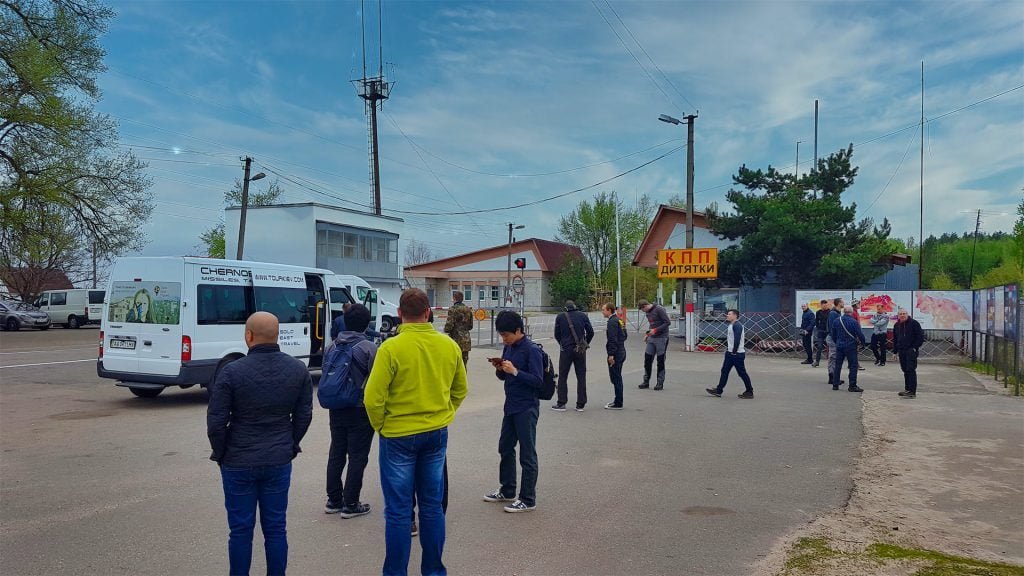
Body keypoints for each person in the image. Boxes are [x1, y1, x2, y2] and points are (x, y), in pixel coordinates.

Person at [364, 288, 468, 576]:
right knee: (432, 507)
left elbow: (373, 398)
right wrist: (445, 413)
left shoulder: (391, 348)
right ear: (428, 313)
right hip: (435, 433)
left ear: (399, 314)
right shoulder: (448, 345)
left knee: (398, 512)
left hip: (397, 435)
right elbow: (461, 389)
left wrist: (381, 426)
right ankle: (434, 570)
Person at [207, 312, 313, 576]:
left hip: (238, 460)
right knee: (276, 528)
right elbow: (304, 415)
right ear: (277, 335)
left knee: (240, 531)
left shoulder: (231, 371)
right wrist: (290, 443)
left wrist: (221, 453)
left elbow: (216, 422)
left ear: (248, 335)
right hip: (278, 457)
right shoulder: (297, 369)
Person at [484, 310, 544, 513]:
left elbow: (537, 381)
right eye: (501, 335)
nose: (504, 339)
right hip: (510, 406)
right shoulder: (508, 348)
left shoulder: (531, 350)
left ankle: (528, 498)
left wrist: (515, 372)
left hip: (527, 407)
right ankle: (508, 489)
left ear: (519, 330)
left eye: (506, 335)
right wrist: (500, 369)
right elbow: (504, 378)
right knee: (505, 447)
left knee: (527, 454)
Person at [324, 304, 377, 519]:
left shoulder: (331, 345)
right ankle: (351, 503)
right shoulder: (368, 347)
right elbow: (376, 380)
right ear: (367, 323)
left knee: (336, 452)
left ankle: (333, 500)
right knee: (357, 456)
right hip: (359, 408)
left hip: (336, 406)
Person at [552, 300, 594, 411]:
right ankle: (580, 404)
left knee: (563, 375)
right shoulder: (583, 316)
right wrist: (585, 343)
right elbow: (591, 332)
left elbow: (556, 334)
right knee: (581, 376)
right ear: (575, 307)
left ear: (566, 308)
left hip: (566, 349)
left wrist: (562, 343)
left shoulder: (560, 317)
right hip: (580, 349)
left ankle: (561, 403)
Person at [705, 309, 754, 398]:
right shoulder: (732, 325)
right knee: (724, 371)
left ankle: (749, 391)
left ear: (735, 316)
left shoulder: (737, 326)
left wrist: (734, 351)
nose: (727, 316)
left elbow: (737, 339)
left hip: (737, 354)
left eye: (729, 314)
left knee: (742, 373)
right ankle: (719, 390)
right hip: (730, 353)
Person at [830, 306, 866, 393]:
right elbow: (860, 334)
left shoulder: (837, 321)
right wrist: (863, 343)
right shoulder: (854, 322)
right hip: (851, 346)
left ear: (844, 312)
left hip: (839, 346)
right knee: (853, 366)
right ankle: (852, 386)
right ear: (851, 312)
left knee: (838, 365)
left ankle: (835, 384)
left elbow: (833, 334)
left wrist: (837, 342)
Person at [638, 299, 671, 390]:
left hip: (662, 338)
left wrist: (656, 330)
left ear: (645, 306)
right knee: (647, 359)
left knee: (660, 361)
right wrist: (647, 334)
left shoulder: (659, 309)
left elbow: (667, 322)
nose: (643, 312)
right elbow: (652, 325)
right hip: (652, 338)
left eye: (642, 309)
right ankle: (646, 381)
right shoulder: (647, 313)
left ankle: (660, 382)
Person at [892, 309, 924, 399]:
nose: (902, 315)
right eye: (900, 314)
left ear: (907, 314)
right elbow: (895, 339)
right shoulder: (897, 325)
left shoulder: (914, 323)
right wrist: (895, 352)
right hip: (901, 350)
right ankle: (907, 389)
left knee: (911, 369)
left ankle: (912, 391)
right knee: (905, 370)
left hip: (911, 350)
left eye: (904, 314)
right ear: (898, 315)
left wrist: (914, 347)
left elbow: (920, 337)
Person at [602, 303, 627, 409]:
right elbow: (625, 335)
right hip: (621, 351)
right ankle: (618, 400)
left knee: (616, 378)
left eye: (603, 309)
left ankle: (618, 402)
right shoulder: (619, 320)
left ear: (609, 310)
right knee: (617, 377)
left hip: (616, 353)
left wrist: (611, 354)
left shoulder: (612, 322)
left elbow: (612, 339)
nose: (602, 312)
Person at [443, 291, 473, 365]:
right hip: (466, 340)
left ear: (454, 298)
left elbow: (449, 326)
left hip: (455, 340)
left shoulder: (452, 309)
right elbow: (470, 326)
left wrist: (446, 330)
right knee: (463, 364)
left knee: (454, 363)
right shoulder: (468, 309)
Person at [826, 297, 845, 387]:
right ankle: (832, 377)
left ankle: (834, 377)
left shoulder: (838, 312)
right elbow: (832, 327)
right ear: (839, 303)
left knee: (834, 357)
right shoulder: (833, 313)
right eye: (842, 302)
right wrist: (836, 338)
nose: (844, 303)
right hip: (833, 338)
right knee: (833, 357)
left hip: (836, 338)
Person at [813, 299, 831, 368]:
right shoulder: (818, 312)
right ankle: (817, 361)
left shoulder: (830, 312)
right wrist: (818, 328)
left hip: (828, 332)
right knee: (819, 347)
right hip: (821, 332)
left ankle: (831, 362)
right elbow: (817, 321)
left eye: (826, 305)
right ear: (821, 305)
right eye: (823, 305)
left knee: (830, 347)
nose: (824, 306)